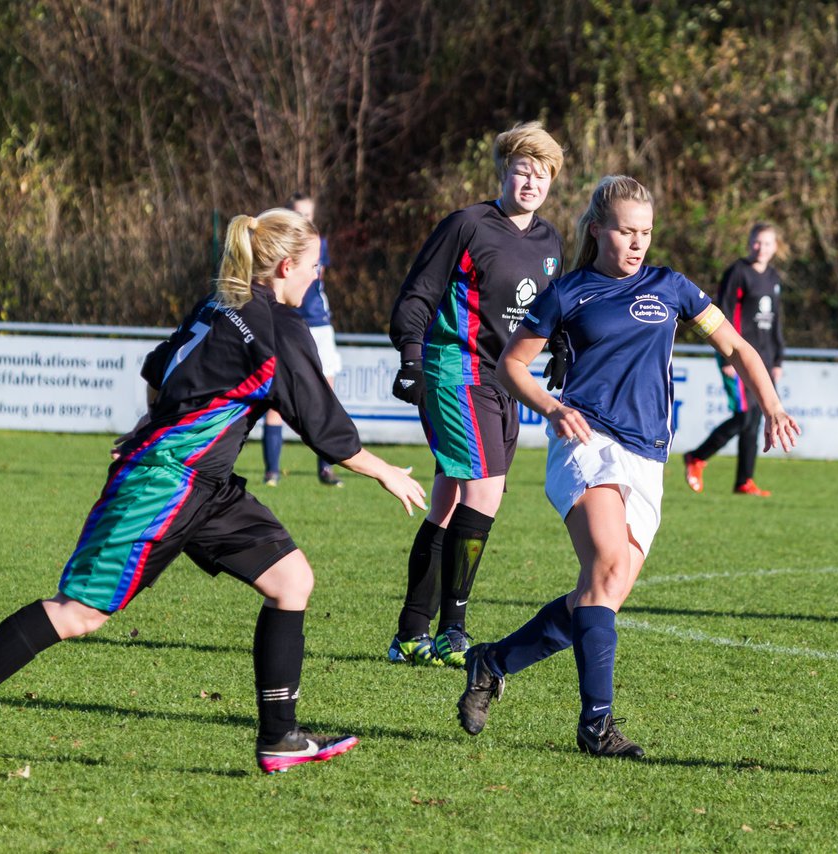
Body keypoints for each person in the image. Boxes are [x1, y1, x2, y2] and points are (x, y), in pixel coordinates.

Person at [0, 209, 427, 774]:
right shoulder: (276, 327)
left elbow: (156, 375)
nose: (318, 278)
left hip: (204, 485)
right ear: (287, 266)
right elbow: (326, 431)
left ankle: (280, 738)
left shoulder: (223, 300)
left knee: (291, 578)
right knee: (79, 613)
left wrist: (156, 428)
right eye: (315, 268)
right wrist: (388, 471)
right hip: (164, 486)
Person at [456, 175, 800, 758]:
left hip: (647, 458)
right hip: (585, 441)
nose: (637, 242)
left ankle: (493, 661)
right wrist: (551, 407)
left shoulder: (673, 287)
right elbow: (513, 366)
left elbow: (739, 347)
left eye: (645, 232)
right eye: (625, 231)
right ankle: (597, 726)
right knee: (609, 565)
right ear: (598, 230)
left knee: (603, 591)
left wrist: (771, 405)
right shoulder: (566, 293)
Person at [386, 122, 565, 668]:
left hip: (504, 380)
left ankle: (410, 635)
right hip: (454, 372)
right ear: (503, 173)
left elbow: (548, 309)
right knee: (484, 494)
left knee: (445, 506)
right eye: (522, 170)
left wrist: (560, 347)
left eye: (543, 174)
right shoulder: (467, 224)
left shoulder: (550, 240)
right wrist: (411, 358)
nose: (531, 182)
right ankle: (453, 631)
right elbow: (417, 294)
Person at [683, 223, 786, 497]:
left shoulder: (774, 278)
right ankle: (696, 457)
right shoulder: (737, 273)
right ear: (749, 242)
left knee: (753, 419)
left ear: (775, 247)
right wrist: (726, 357)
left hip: (763, 359)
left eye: (766, 243)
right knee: (743, 415)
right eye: (756, 242)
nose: (760, 248)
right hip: (736, 357)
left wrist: (777, 360)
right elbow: (722, 313)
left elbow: (776, 322)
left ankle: (744, 481)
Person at [261, 192, 344, 488]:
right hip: (289, 323)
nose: (305, 220)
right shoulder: (280, 249)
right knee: (276, 396)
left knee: (326, 396)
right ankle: (271, 470)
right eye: (299, 214)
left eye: (309, 215)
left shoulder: (318, 244)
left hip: (320, 326)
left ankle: (327, 468)